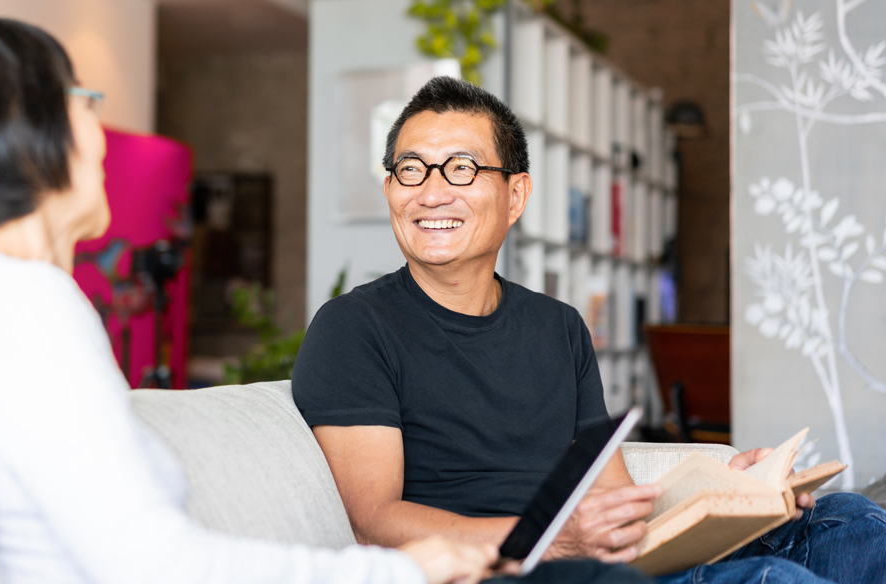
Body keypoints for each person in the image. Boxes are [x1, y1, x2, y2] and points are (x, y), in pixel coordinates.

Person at [0, 18, 504, 584]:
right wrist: (407, 567)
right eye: (82, 98)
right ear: (22, 130)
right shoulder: (22, 306)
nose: (99, 128)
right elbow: (155, 564)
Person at [291, 76, 886, 584]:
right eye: (410, 169)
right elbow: (372, 522)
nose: (430, 190)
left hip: (599, 562)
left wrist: (723, 497)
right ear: (391, 186)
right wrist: (555, 540)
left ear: (515, 194)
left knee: (855, 524)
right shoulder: (354, 328)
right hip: (505, 570)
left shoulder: (558, 326)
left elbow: (609, 494)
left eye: (462, 167)